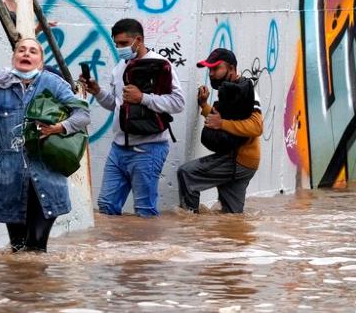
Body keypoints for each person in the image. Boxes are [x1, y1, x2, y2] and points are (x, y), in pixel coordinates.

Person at [0, 38, 90, 252]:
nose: (26, 54)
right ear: (14, 58)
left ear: (40, 61)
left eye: (32, 51)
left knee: (36, 248)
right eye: (21, 50)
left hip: (46, 175)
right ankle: (20, 286)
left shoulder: (53, 83)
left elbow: (83, 114)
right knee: (17, 248)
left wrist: (58, 127)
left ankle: (35, 283)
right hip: (10, 176)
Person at [82, 18, 185, 217]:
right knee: (106, 206)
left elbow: (178, 103)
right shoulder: (120, 67)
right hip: (118, 148)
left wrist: (143, 98)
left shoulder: (161, 65)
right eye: (116, 44)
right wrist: (97, 91)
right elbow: (116, 105)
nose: (120, 48)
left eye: (123, 43)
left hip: (149, 148)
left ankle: (149, 248)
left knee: (144, 211)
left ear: (138, 40)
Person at [177, 49, 263, 213]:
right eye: (209, 70)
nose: (211, 74)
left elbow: (256, 127)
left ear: (231, 68)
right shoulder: (232, 91)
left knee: (187, 174)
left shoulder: (247, 92)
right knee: (231, 219)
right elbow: (227, 119)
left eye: (216, 68)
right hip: (246, 161)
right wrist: (204, 106)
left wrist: (221, 123)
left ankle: (190, 225)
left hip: (238, 158)